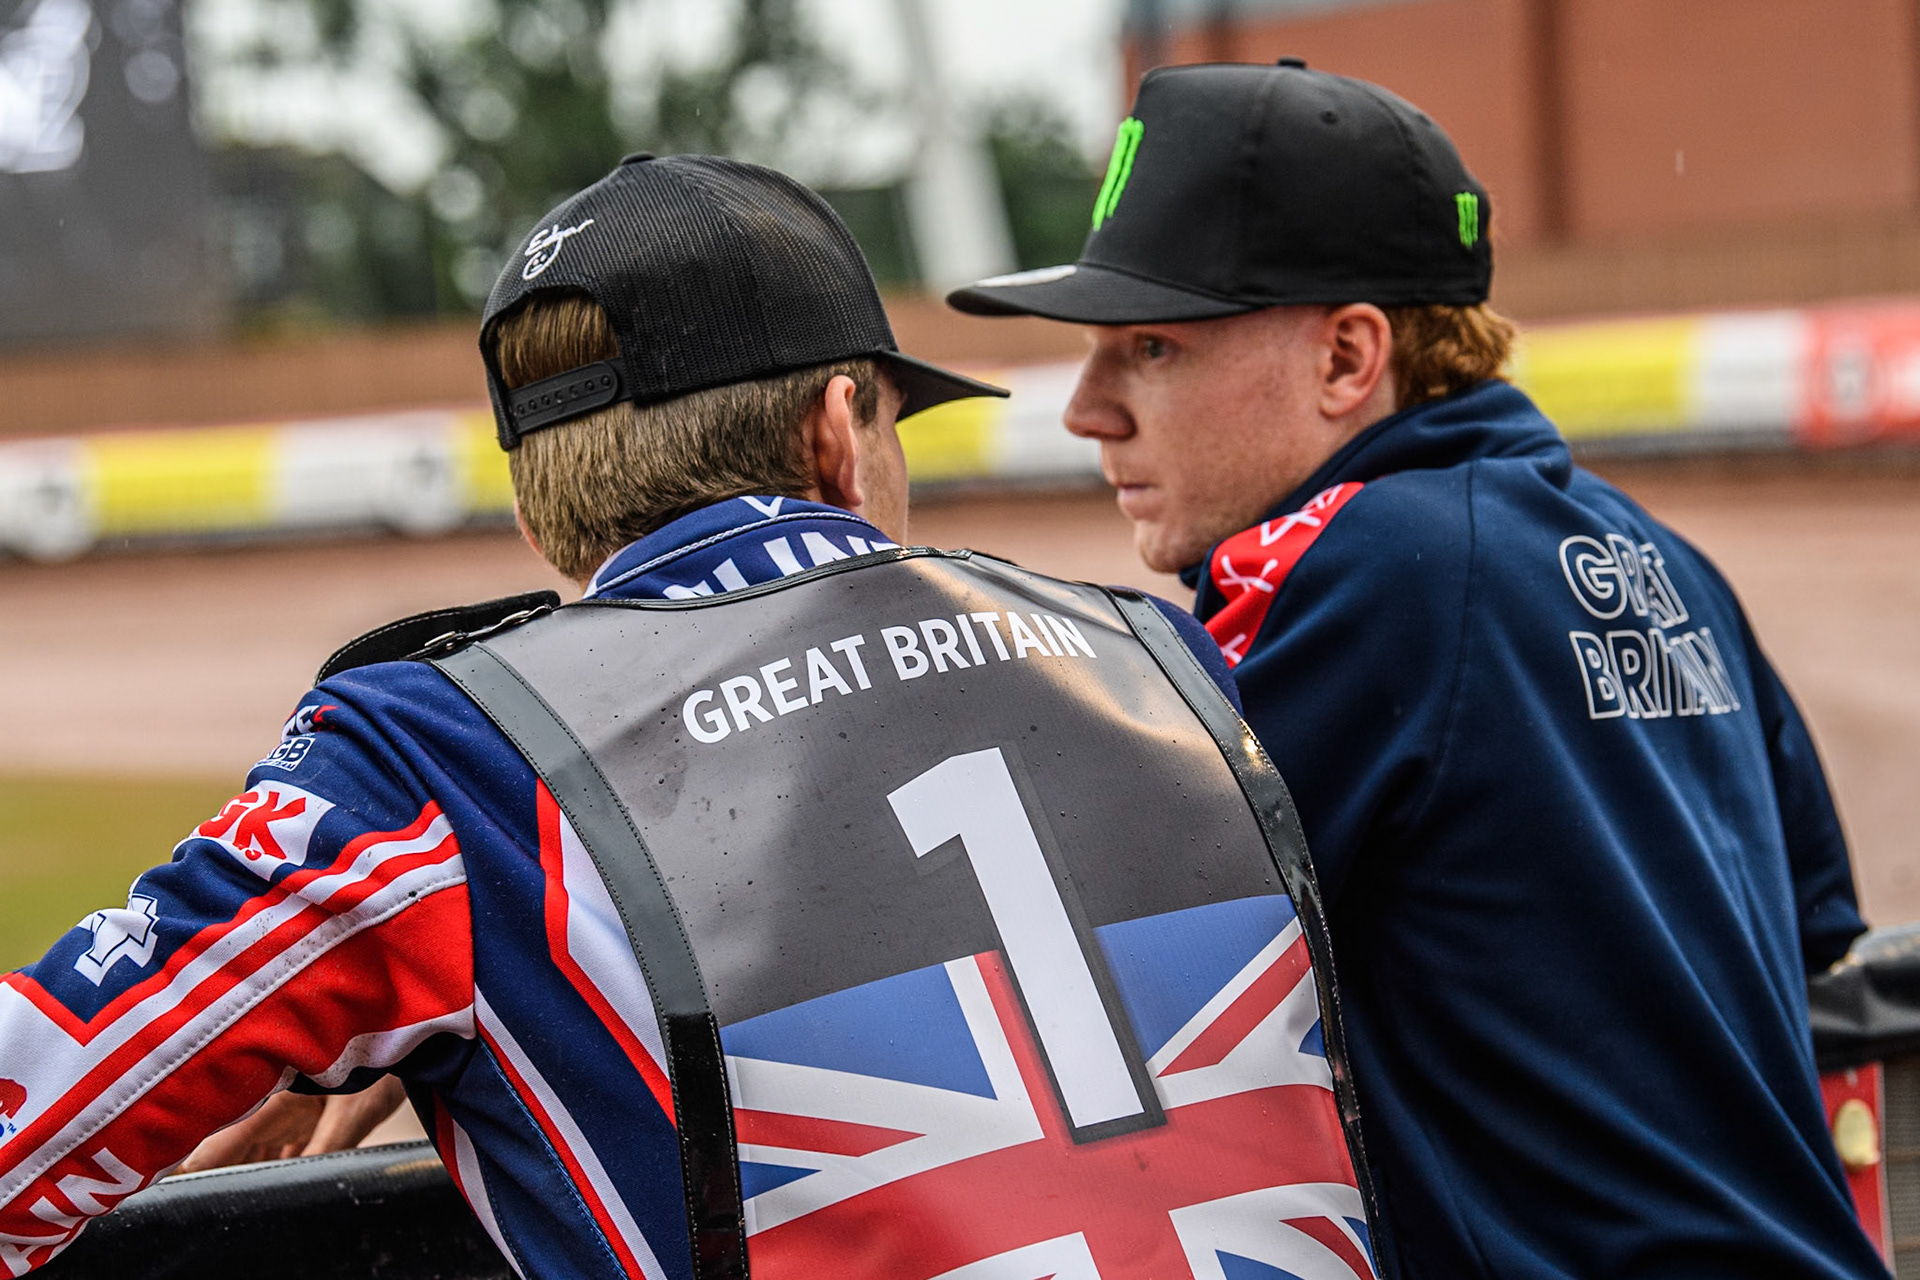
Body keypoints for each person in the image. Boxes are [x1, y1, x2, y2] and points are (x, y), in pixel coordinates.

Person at [0, 153, 1389, 1280]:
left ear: (544, 500)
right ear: (840, 435)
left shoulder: (449, 755)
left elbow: (27, 1121)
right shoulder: (1162, 654)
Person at [949, 60, 1887, 1279]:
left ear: (1349, 358)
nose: (1089, 410)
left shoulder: (1381, 565)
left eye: (1152, 348)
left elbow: (1102, 962)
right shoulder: (1660, 559)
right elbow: (1819, 932)